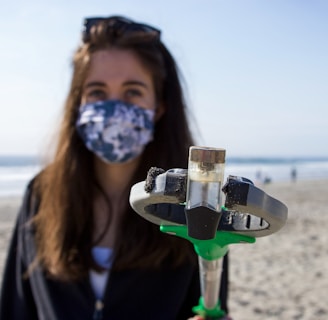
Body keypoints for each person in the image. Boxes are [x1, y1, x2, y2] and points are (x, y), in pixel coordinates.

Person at [0, 16, 230, 319]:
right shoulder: (40, 195)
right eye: (96, 92)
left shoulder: (197, 206)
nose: (113, 109)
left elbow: (210, 307)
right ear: (78, 103)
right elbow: (15, 309)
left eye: (132, 92)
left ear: (159, 106)